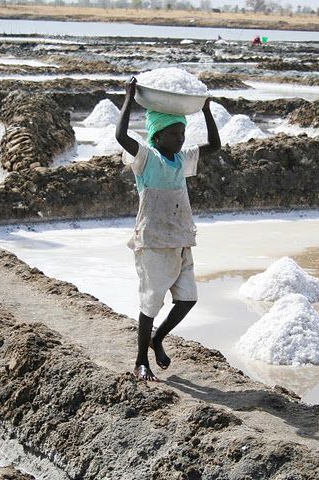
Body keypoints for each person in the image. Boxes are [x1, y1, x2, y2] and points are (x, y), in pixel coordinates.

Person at [115, 77, 221, 382]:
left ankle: (158, 338)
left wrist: (207, 111)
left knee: (187, 299)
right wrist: (128, 96)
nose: (180, 139)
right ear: (156, 136)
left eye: (182, 133)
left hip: (181, 238)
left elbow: (214, 145)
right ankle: (140, 361)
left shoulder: (182, 159)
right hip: (153, 241)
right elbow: (121, 135)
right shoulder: (147, 158)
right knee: (150, 302)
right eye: (174, 133)